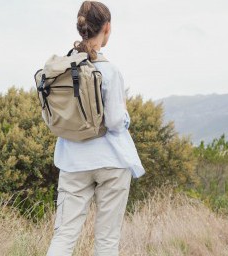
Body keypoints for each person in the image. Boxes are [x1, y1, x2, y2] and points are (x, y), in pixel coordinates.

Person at [46, 1, 146, 255]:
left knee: (64, 235)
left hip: (72, 160)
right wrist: (126, 117)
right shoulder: (110, 71)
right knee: (107, 240)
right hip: (111, 161)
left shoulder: (62, 70)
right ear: (107, 28)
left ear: (82, 28)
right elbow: (114, 122)